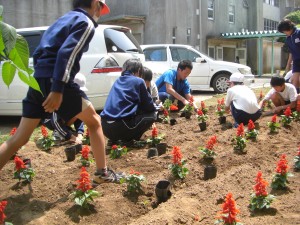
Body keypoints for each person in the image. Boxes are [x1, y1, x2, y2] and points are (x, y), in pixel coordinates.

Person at [0, 0, 124, 185]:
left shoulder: (64, 19)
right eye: (101, 8)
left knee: (20, 137)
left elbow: (43, 50)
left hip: (40, 78)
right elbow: (67, 53)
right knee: (95, 122)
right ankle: (101, 173)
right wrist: (57, 88)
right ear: (95, 4)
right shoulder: (86, 22)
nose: (100, 12)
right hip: (57, 82)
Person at [100, 59, 157, 145]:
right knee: (152, 115)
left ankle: (114, 140)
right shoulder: (139, 81)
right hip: (121, 126)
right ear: (138, 71)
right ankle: (130, 139)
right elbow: (149, 106)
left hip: (105, 127)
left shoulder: (118, 81)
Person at [43, 73, 87, 144]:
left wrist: (80, 133)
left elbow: (79, 116)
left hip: (62, 120)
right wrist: (71, 137)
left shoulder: (76, 98)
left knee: (77, 111)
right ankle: (58, 132)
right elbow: (55, 121)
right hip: (50, 120)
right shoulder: (60, 98)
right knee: (61, 123)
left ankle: (65, 130)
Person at [278, 19, 300, 93]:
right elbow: (291, 52)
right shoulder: (288, 38)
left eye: (284, 31)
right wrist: (288, 65)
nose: (284, 33)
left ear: (289, 28)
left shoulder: (298, 33)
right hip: (296, 62)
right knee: (294, 82)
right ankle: (295, 101)